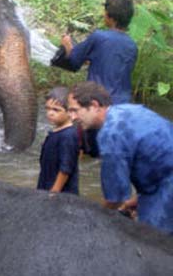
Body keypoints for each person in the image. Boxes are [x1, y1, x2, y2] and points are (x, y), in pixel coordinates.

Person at [67, 81, 173, 234]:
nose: (72, 117)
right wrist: (134, 201)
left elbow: (114, 198)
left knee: (153, 242)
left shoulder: (111, 135)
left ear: (95, 105)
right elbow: (159, 160)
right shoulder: (128, 109)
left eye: (75, 110)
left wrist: (96, 219)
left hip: (166, 189)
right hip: (162, 180)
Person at [60, 0, 137, 104]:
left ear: (109, 16)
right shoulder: (132, 45)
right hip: (123, 103)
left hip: (99, 102)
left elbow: (74, 63)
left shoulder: (99, 37)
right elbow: (115, 66)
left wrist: (67, 45)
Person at [37, 87, 79, 195]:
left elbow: (65, 169)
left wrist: (54, 191)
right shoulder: (56, 132)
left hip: (62, 194)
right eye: (48, 108)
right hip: (46, 184)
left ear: (70, 112)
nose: (50, 113)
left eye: (56, 110)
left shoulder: (68, 136)